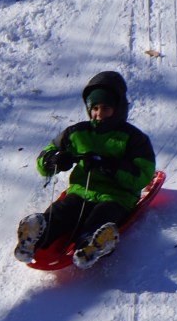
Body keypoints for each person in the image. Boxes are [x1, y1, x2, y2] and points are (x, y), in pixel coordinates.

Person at [14, 71, 156, 269]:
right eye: (95, 108)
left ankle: (92, 245)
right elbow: (45, 155)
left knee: (100, 217)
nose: (99, 114)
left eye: (106, 108)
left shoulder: (133, 139)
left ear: (118, 108)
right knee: (61, 212)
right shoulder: (77, 133)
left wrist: (111, 167)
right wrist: (53, 160)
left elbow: (142, 175)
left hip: (116, 197)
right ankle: (34, 236)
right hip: (81, 192)